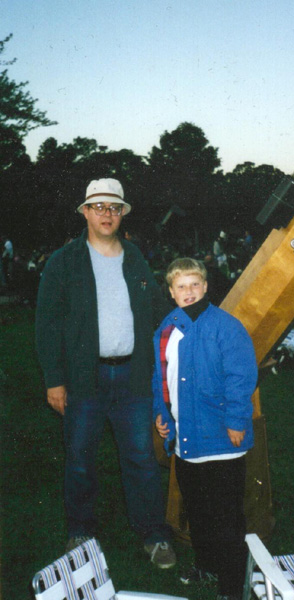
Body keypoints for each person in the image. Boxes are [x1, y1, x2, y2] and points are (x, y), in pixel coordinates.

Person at [35, 178, 176, 568]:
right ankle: (80, 533)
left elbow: (158, 312)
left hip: (132, 378)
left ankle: (153, 534)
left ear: (122, 213)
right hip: (84, 380)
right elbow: (46, 325)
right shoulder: (63, 262)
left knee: (141, 458)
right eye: (98, 207)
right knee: (80, 460)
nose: (106, 214)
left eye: (113, 208)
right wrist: (54, 379)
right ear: (85, 212)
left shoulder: (135, 257)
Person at [152, 258, 257, 600]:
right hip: (187, 442)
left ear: (206, 286)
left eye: (195, 284)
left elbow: (241, 377)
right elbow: (161, 380)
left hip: (223, 439)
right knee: (197, 511)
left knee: (226, 518)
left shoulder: (226, 326)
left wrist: (237, 421)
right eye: (181, 286)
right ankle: (207, 565)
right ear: (171, 292)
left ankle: (232, 585)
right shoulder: (166, 329)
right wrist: (161, 414)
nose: (189, 291)